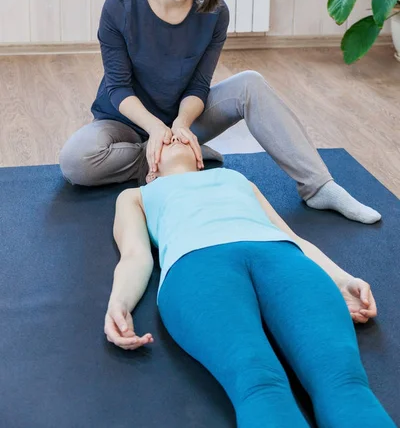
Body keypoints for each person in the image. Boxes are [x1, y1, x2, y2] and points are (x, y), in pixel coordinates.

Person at [59, 0, 380, 225]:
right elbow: (118, 88)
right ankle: (173, 158)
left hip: (186, 121)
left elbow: (199, 85)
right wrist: (157, 131)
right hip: (126, 121)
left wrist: (181, 126)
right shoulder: (120, 7)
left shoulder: (214, 13)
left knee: (250, 83)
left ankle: (320, 187)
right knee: (76, 160)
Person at [104, 136, 396, 428]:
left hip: (281, 256)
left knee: (344, 379)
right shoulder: (138, 195)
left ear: (199, 157)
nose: (175, 134)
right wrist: (120, 302)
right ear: (151, 167)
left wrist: (343, 279)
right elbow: (135, 256)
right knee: (258, 383)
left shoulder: (237, 178)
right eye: (165, 139)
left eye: (183, 134)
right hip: (196, 267)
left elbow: (292, 236)